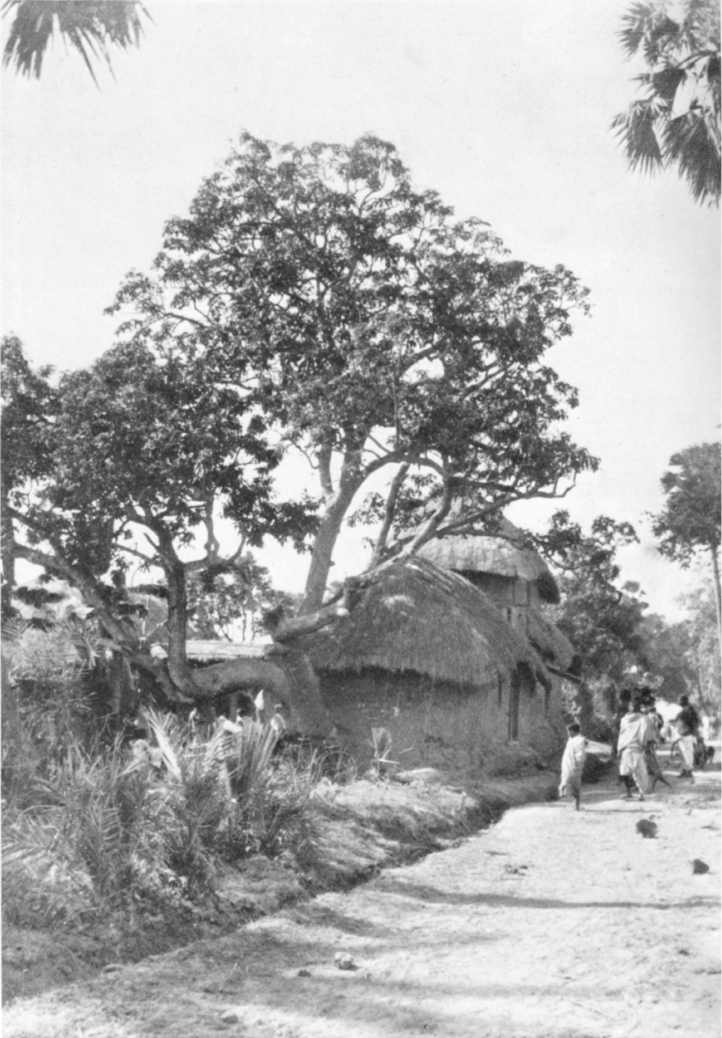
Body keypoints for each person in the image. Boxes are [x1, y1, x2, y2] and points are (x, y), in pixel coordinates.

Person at [617, 694, 649, 800]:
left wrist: (619, 748)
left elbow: (622, 735)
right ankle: (639, 793)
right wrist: (644, 745)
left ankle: (633, 793)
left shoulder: (625, 720)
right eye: (632, 705)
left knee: (627, 771)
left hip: (629, 748)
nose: (632, 707)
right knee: (637, 771)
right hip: (634, 748)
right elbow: (644, 734)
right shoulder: (642, 719)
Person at [640, 694, 672, 791]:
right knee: (651, 767)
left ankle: (649, 786)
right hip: (648, 745)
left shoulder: (646, 719)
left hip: (647, 746)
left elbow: (648, 733)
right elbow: (654, 730)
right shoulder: (649, 718)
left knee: (649, 767)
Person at [558, 722, 587, 810]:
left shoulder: (580, 740)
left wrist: (576, 765)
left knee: (576, 786)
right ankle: (573, 802)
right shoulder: (571, 740)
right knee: (568, 782)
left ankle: (576, 804)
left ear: (573, 731)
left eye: (568, 731)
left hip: (575, 767)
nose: (567, 733)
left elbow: (580, 755)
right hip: (568, 766)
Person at [673, 694, 700, 779]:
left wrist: (687, 732)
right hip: (685, 734)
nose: (679, 703)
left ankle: (688, 771)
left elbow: (693, 723)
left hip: (685, 734)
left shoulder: (687, 711)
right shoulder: (687, 710)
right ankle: (685, 771)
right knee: (685, 753)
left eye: (680, 702)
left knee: (686, 753)